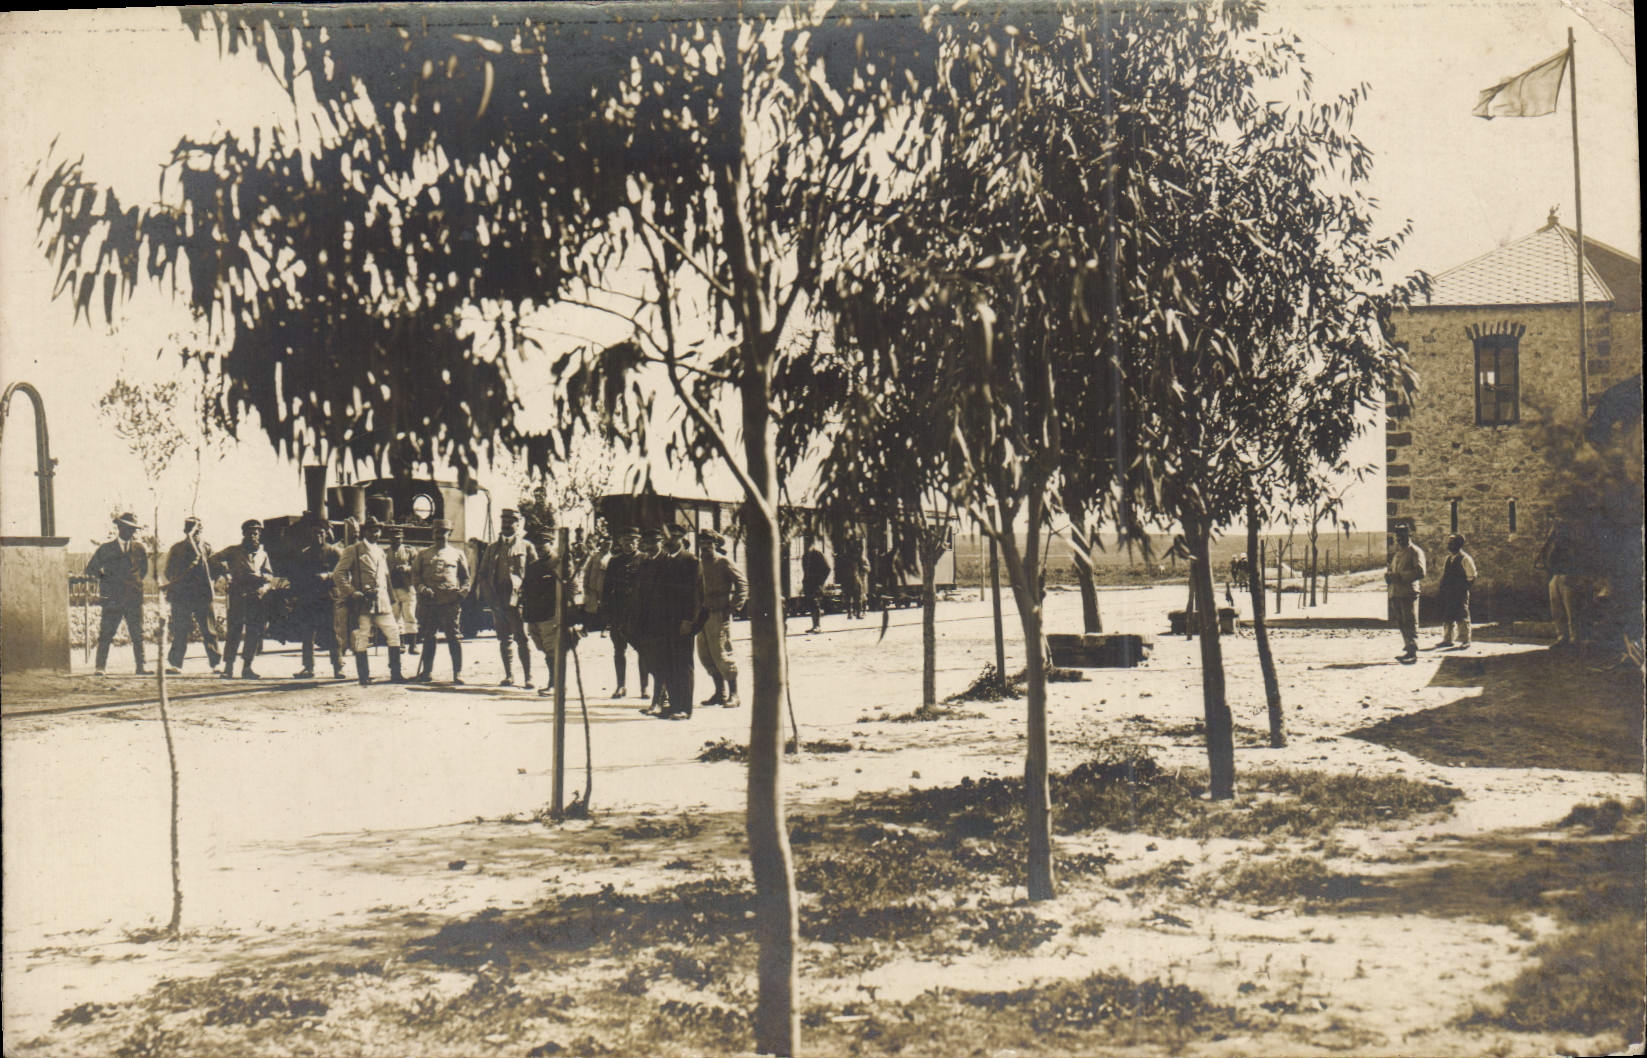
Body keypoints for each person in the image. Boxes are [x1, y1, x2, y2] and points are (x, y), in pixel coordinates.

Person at [333, 516, 405, 685]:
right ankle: (363, 676)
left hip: (382, 602)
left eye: (378, 530)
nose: (376, 533)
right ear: (365, 532)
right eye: (372, 530)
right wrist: (352, 592)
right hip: (363, 602)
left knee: (394, 632)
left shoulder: (381, 552)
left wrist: (392, 599)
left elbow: (386, 577)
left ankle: (396, 673)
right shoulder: (354, 550)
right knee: (362, 636)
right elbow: (339, 574)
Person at [650, 523, 704, 719]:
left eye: (674, 538)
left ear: (682, 539)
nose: (669, 541)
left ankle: (684, 708)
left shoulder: (691, 561)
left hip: (682, 622)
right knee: (668, 663)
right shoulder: (662, 561)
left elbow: (696, 596)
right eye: (667, 538)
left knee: (682, 664)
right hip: (663, 622)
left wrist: (689, 620)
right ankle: (673, 706)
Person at [86, 512, 151, 676]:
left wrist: (133, 584)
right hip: (113, 599)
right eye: (129, 528)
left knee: (138, 633)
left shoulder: (140, 549)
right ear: (120, 528)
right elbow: (91, 569)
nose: (132, 532)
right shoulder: (106, 549)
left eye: (134, 529)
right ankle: (100, 667)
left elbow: (143, 571)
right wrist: (106, 580)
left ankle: (141, 666)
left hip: (134, 598)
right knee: (106, 633)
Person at [480, 508, 537, 688]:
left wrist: (527, 597)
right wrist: (490, 599)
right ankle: (509, 675)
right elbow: (482, 575)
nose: (506, 524)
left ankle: (528, 677)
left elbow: (534, 574)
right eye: (504, 521)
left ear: (517, 524)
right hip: (498, 601)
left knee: (522, 639)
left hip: (517, 601)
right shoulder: (492, 548)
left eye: (510, 521)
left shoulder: (526, 546)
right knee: (504, 639)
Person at [213, 518, 275, 679]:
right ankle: (228, 667)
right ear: (244, 534)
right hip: (238, 594)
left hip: (256, 595)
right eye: (251, 533)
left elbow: (269, 574)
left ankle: (247, 667)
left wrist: (263, 580)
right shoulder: (233, 551)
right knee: (234, 631)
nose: (254, 536)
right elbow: (213, 559)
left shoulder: (262, 554)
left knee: (254, 631)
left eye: (257, 533)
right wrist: (225, 572)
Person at [412, 518, 470, 683]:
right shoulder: (423, 554)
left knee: (454, 637)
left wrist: (461, 594)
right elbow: (415, 577)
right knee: (429, 637)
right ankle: (427, 672)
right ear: (433, 533)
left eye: (444, 532)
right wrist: (422, 589)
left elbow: (466, 579)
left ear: (449, 533)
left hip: (450, 603)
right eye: (437, 532)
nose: (440, 535)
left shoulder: (458, 554)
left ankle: (457, 673)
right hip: (429, 603)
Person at [161, 516, 220, 674]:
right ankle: (175, 664)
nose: (195, 534)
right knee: (180, 629)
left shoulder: (207, 548)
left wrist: (210, 583)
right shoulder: (177, 549)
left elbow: (216, 568)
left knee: (209, 630)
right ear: (186, 531)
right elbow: (168, 571)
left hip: (203, 595)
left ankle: (215, 663)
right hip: (182, 596)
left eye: (198, 531)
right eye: (192, 531)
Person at [288, 514, 344, 679]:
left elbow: (343, 574)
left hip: (329, 598)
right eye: (314, 533)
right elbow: (298, 576)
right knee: (308, 634)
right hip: (310, 599)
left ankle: (338, 667)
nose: (318, 536)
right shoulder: (304, 554)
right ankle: (308, 667)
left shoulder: (334, 552)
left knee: (333, 633)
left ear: (326, 533)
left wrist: (327, 576)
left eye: (321, 532)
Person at [696, 530, 747, 708]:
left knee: (722, 653)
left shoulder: (724, 562)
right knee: (705, 654)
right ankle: (720, 693)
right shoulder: (698, 563)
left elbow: (742, 584)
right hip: (701, 615)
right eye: (702, 543)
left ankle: (734, 694)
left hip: (719, 613)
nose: (705, 547)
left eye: (709, 543)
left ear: (716, 544)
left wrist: (733, 607)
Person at [521, 526, 565, 697]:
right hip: (535, 615)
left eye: (543, 546)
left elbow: (571, 587)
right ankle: (555, 683)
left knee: (553, 650)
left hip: (551, 614)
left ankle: (554, 684)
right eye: (536, 547)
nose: (539, 550)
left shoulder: (558, 563)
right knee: (545, 650)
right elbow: (526, 589)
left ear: (551, 543)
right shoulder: (533, 566)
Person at [600, 527, 642, 698]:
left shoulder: (644, 559)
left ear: (638, 542)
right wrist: (607, 612)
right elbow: (607, 588)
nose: (628, 545)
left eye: (632, 541)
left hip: (638, 612)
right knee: (619, 650)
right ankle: (621, 685)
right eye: (625, 541)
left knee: (643, 650)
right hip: (618, 612)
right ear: (620, 543)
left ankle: (644, 687)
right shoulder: (614, 562)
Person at [1535, 516, 1586, 649]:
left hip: (1568, 575)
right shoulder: (1553, 541)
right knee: (1557, 609)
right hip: (1556, 575)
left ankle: (1575, 638)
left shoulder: (1570, 541)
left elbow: (1574, 557)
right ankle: (1562, 636)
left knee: (1570, 609)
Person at [631, 526, 666, 711]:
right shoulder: (643, 563)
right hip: (645, 619)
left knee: (660, 659)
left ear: (661, 542)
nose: (651, 545)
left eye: (655, 541)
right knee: (649, 659)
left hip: (663, 619)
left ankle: (658, 701)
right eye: (647, 542)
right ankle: (661, 697)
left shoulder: (667, 561)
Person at [1385, 523, 1426, 663]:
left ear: (1409, 536)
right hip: (1396, 592)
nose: (1399, 539)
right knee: (1402, 622)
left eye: (1402, 536)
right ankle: (1408, 647)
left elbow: (1421, 572)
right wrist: (1389, 576)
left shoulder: (1415, 551)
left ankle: (1413, 652)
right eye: (1398, 537)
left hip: (1408, 592)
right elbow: (1393, 571)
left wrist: (1400, 576)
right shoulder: (1397, 554)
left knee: (1410, 622)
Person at [1435, 534, 1477, 651]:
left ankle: (1465, 640)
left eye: (1452, 543)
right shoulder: (1448, 559)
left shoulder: (1465, 559)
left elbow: (1472, 576)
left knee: (1462, 616)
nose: (1449, 546)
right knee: (1447, 616)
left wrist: (1463, 589)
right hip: (1448, 592)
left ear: (1459, 545)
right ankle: (1447, 640)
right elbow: (1445, 574)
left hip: (1460, 593)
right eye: (1449, 543)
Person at [385, 525, 420, 657]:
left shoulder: (409, 551)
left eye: (398, 538)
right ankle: (401, 644)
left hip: (407, 588)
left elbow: (417, 568)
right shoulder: (385, 553)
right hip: (392, 588)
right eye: (393, 538)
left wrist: (406, 568)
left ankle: (413, 644)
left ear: (402, 538)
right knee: (395, 617)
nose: (396, 540)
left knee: (410, 615)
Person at [801, 539, 830, 634]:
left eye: (808, 543)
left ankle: (818, 626)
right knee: (811, 604)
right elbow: (805, 571)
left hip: (816, 583)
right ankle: (814, 625)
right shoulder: (805, 556)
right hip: (808, 583)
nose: (806, 545)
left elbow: (827, 568)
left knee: (815, 603)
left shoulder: (818, 554)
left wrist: (821, 581)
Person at [835, 531, 865, 620]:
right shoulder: (856, 557)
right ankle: (858, 613)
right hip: (854, 577)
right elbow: (860, 552)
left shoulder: (844, 557)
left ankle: (849, 613)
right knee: (857, 596)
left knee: (848, 596)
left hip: (847, 578)